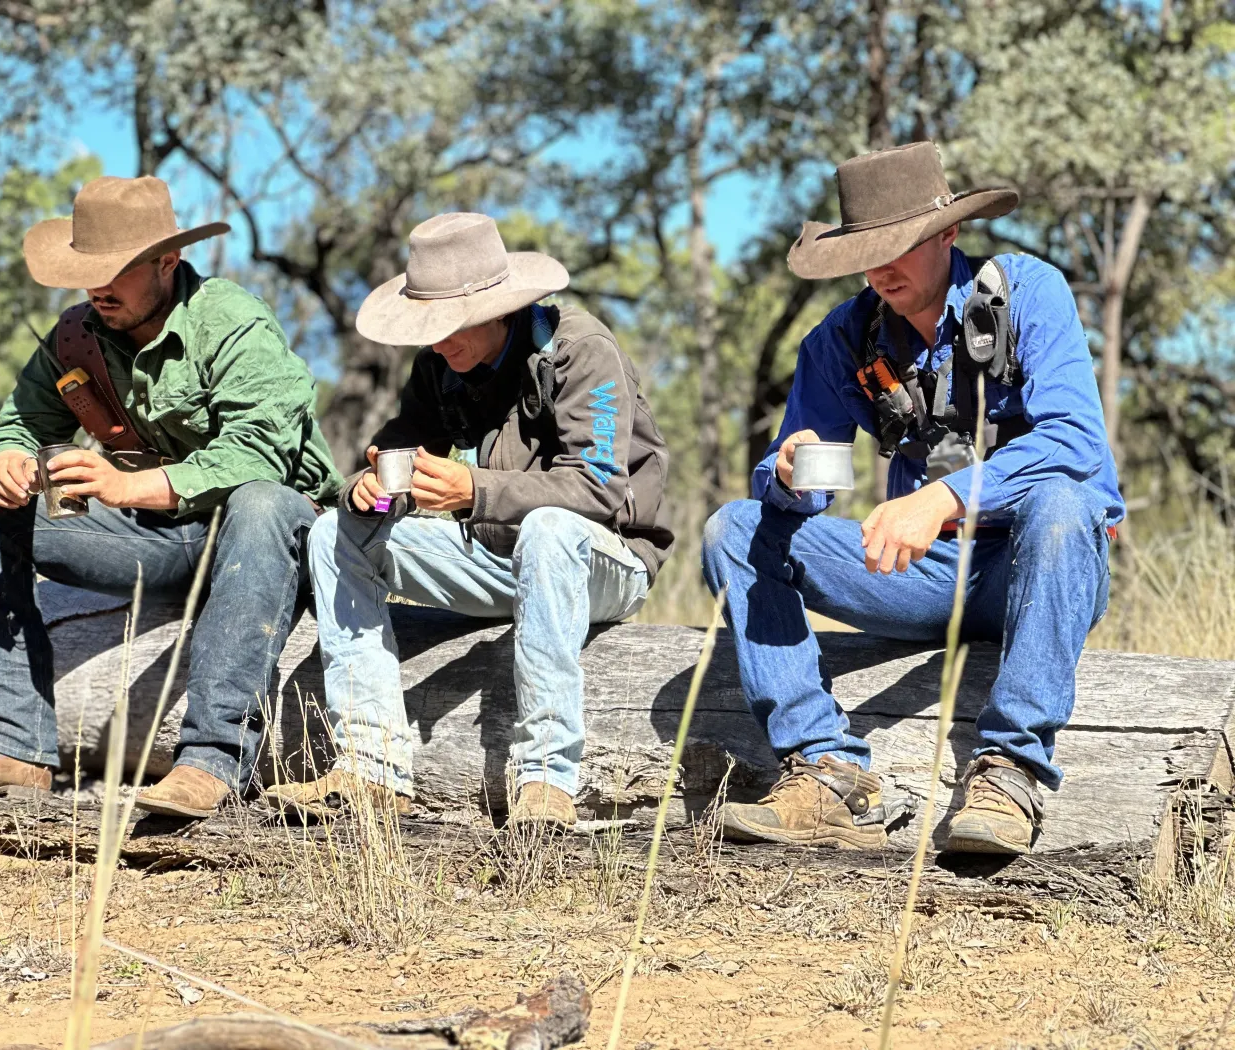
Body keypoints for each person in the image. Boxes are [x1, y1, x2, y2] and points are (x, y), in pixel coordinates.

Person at [702, 142, 1124, 855]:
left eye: (897, 247)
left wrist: (943, 499)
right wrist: (790, 474)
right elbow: (810, 479)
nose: (881, 270)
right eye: (865, 253)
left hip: (1035, 566)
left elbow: (1077, 440)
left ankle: (1010, 771)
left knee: (1063, 504)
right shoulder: (841, 340)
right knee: (734, 528)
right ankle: (827, 773)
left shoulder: (1028, 292)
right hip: (919, 577)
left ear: (949, 232)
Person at [0, 175, 342, 818]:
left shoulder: (233, 322)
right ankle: (12, 746)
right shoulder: (77, 335)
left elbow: (260, 454)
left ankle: (212, 761)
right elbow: (19, 426)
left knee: (261, 501)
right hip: (163, 539)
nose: (97, 289)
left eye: (114, 271)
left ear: (168, 261)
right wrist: (6, 461)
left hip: (264, 544)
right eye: (86, 273)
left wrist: (126, 485)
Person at [262, 213, 674, 828]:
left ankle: (546, 779)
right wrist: (368, 492)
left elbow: (599, 490)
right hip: (496, 558)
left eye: (446, 325)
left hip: (605, 560)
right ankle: (370, 768)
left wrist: (474, 490)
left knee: (550, 530)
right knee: (333, 532)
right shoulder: (438, 367)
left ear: (498, 310)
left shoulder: (580, 350)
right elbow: (396, 452)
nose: (435, 343)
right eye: (426, 327)